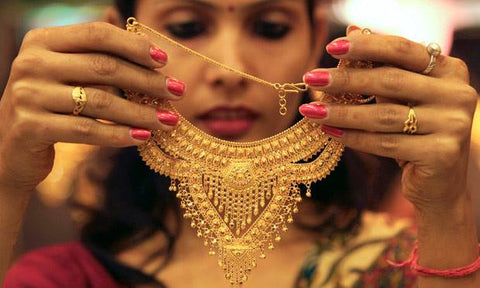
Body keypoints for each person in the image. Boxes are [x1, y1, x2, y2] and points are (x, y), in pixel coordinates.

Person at [0, 0, 479, 287]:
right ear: (117, 35)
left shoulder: (403, 263)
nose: (228, 69)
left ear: (315, 37)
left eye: (270, 27)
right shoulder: (64, 277)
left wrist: (447, 211)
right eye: (188, 28)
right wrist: (6, 185)